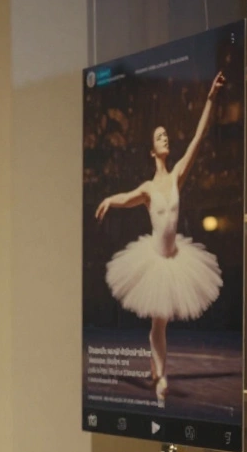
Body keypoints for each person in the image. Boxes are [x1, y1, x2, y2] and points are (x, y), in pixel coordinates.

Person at [93, 71, 226, 405]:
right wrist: (109, 199)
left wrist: (211, 97)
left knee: (162, 320)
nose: (166, 138)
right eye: (160, 137)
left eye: (167, 135)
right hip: (153, 258)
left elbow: (199, 136)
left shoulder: (178, 173)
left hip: (176, 258)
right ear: (152, 150)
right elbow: (126, 196)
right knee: (159, 321)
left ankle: (157, 370)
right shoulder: (149, 189)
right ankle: (162, 376)